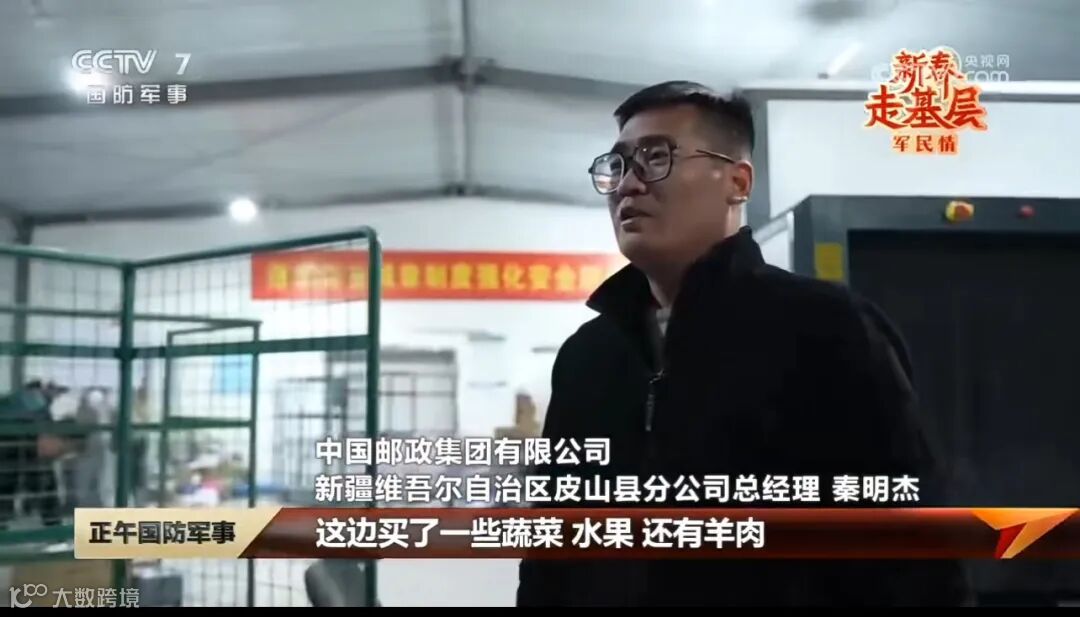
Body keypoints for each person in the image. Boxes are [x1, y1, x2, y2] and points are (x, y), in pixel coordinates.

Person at [516, 81, 972, 606]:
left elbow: (913, 549)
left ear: (738, 182)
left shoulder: (826, 330)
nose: (629, 185)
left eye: (657, 157)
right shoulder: (589, 356)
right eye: (617, 166)